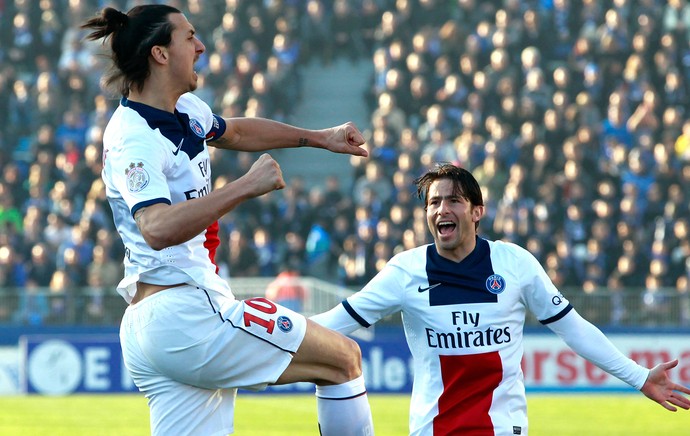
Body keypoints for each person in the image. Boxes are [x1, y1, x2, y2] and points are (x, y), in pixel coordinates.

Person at [81, 5, 374, 436]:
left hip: (162, 323)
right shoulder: (133, 137)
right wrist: (243, 186)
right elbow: (156, 227)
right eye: (189, 37)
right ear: (160, 54)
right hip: (184, 315)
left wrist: (319, 139)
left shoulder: (186, 111)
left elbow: (235, 132)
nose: (200, 46)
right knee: (342, 359)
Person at [312, 163, 690, 435]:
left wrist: (639, 377)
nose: (442, 209)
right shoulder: (405, 272)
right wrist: (268, 331)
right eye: (433, 203)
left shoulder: (515, 264)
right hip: (432, 429)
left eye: (454, 201)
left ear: (477, 212)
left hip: (504, 428)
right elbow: (332, 325)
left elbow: (574, 329)